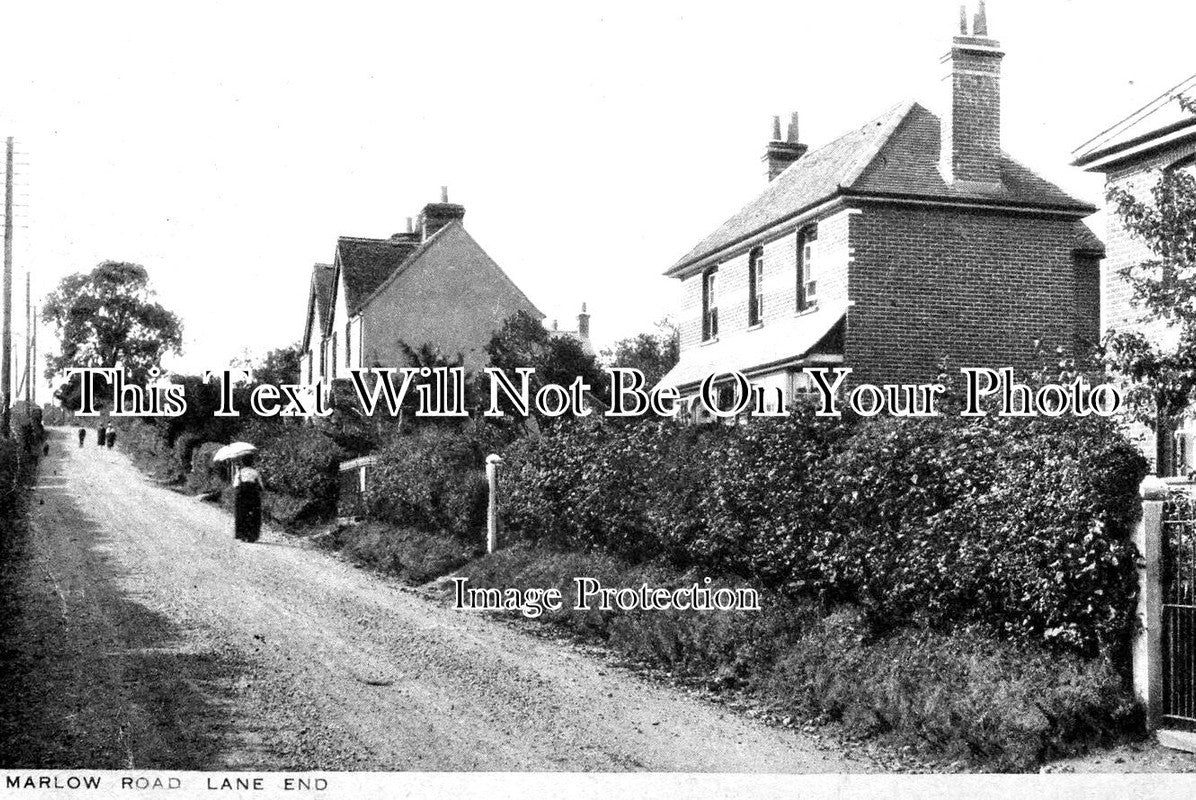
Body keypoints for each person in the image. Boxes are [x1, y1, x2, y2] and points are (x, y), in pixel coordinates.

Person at [233, 454, 263, 543]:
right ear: (252, 462)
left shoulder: (240, 472)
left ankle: (242, 534)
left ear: (243, 463)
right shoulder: (256, 472)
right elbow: (261, 486)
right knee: (254, 515)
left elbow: (235, 485)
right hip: (253, 495)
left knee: (241, 513)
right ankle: (252, 535)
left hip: (242, 495)